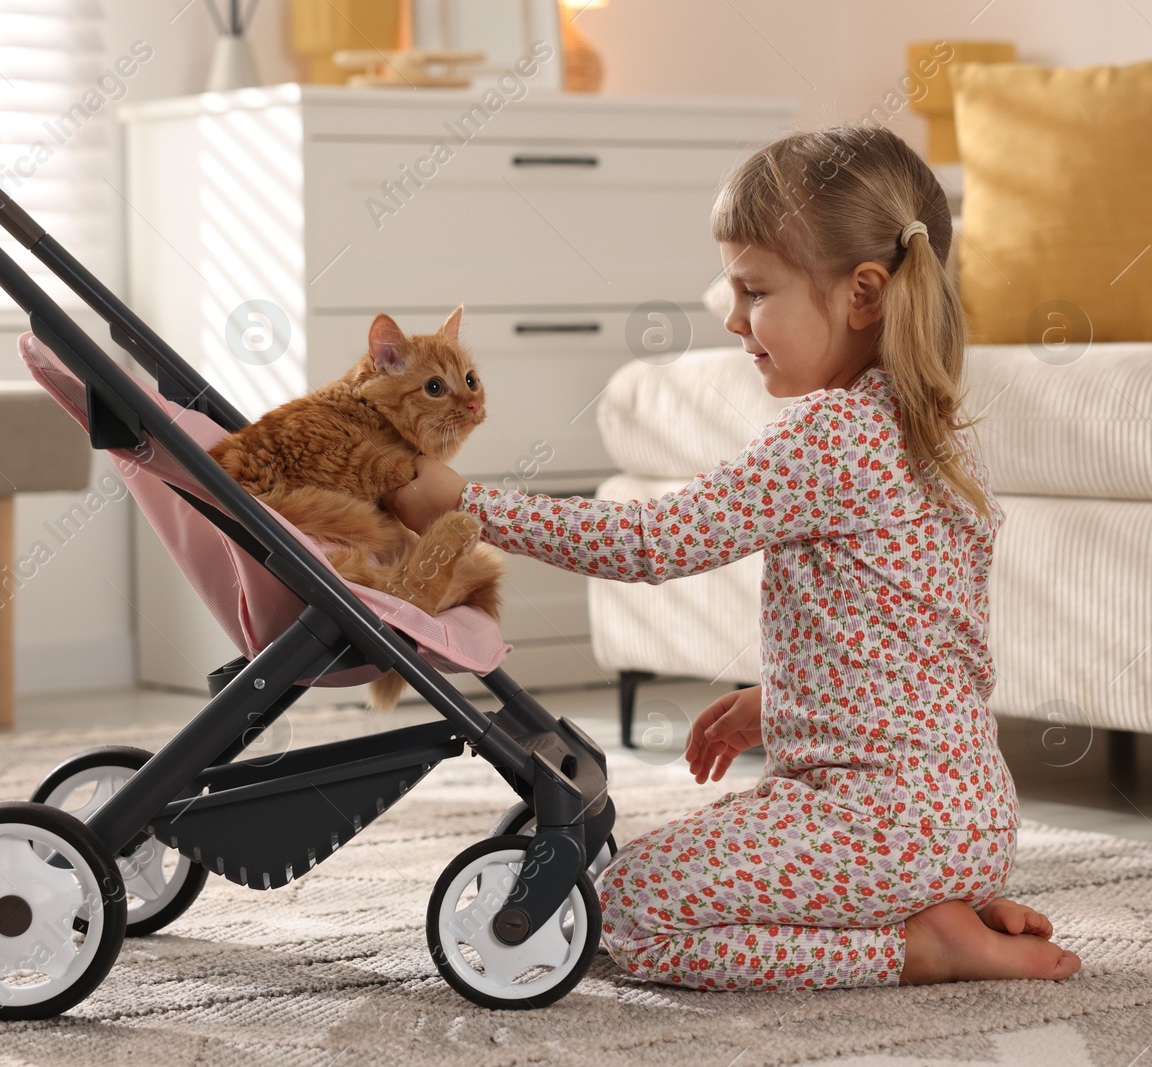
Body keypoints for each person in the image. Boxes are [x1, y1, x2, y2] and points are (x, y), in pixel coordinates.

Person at [381, 123, 1082, 990]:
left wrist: (465, 507)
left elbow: (652, 542)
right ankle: (944, 901)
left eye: (754, 289)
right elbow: (924, 628)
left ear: (865, 293)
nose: (730, 315)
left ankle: (914, 947)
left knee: (626, 911)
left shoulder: (832, 434)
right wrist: (787, 700)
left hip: (881, 818)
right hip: (964, 810)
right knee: (681, 879)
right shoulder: (930, 424)